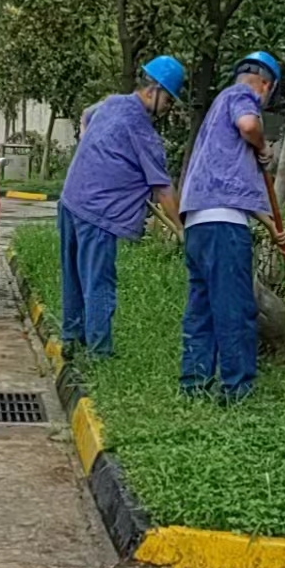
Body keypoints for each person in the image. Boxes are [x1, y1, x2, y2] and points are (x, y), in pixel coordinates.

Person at [177, 51, 285, 403]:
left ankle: (193, 386)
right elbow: (249, 126)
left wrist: (272, 228)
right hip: (224, 229)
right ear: (266, 85)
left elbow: (231, 187)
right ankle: (237, 390)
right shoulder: (241, 95)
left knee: (202, 310)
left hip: (199, 224)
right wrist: (262, 145)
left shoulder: (215, 116)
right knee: (235, 310)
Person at [57, 55, 186, 357]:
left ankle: (71, 339)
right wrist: (182, 228)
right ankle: (99, 353)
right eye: (168, 99)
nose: (169, 107)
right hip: (98, 215)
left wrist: (94, 152)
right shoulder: (144, 133)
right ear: (153, 90)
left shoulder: (113, 103)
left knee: (73, 276)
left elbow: (86, 116)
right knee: (98, 283)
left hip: (71, 199)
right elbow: (163, 188)